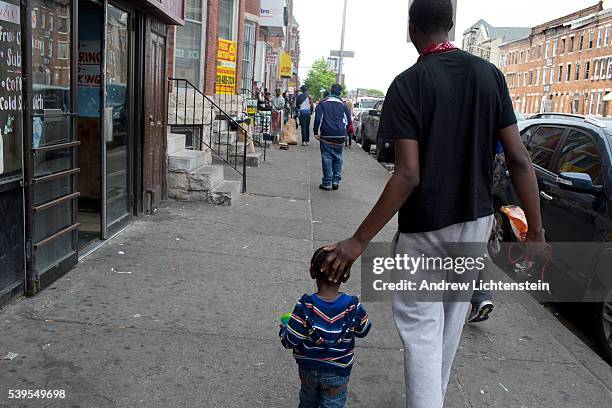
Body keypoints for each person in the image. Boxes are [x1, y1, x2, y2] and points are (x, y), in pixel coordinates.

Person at [319, 1, 545, 407]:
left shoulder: (409, 83)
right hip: (475, 222)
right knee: (448, 327)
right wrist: (538, 233)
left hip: (426, 226)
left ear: (411, 27)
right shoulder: (489, 75)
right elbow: (518, 159)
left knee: (422, 330)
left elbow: (407, 174)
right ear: (451, 24)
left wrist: (358, 240)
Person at [279, 247, 372, 408]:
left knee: (308, 400)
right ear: (346, 275)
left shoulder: (304, 306)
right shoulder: (353, 307)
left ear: (312, 272)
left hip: (308, 369)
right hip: (338, 370)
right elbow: (363, 330)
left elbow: (289, 341)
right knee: (333, 404)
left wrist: (284, 328)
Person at [313, 84, 352, 191]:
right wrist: (345, 132)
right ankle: (336, 181)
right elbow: (349, 122)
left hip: (327, 134)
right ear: (340, 92)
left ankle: (326, 183)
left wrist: (315, 131)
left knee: (327, 157)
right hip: (340, 135)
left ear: (331, 91)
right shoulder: (344, 105)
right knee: (338, 157)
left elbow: (317, 119)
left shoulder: (323, 103)